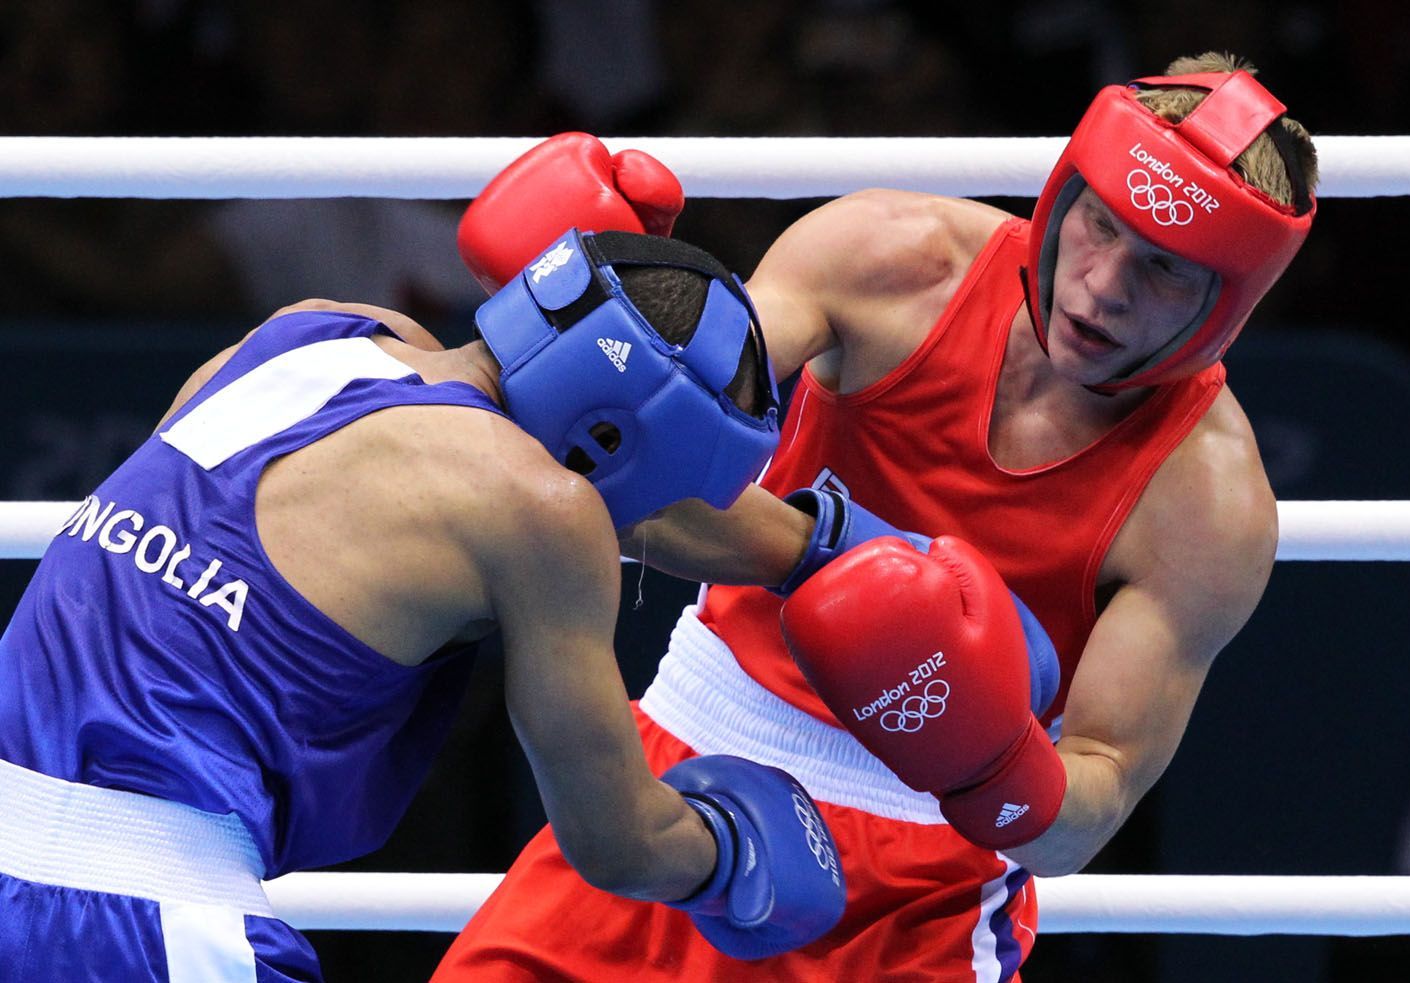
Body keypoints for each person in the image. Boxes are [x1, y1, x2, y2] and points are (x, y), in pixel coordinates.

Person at [432, 50, 1318, 981]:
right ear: (1065, 195)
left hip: (920, 887)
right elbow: (624, 476)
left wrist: (995, 762)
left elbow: (1083, 817)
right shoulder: (889, 261)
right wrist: (822, 547)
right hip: (680, 766)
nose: (1102, 286)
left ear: (1229, 303)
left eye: (1164, 270)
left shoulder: (1206, 503)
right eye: (1101, 226)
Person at [0, 214, 851, 978]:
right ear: (613, 437)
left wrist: (824, 546)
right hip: (141, 917)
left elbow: (605, 495)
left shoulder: (311, 333)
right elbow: (621, 841)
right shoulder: (541, 509)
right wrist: (729, 848)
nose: (661, 510)